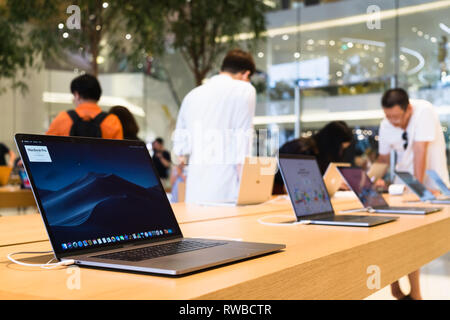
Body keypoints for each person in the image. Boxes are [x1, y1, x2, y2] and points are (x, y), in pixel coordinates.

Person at [376, 88, 449, 300]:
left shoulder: (424, 110)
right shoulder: (387, 122)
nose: (393, 121)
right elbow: (382, 159)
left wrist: (419, 189)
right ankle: (397, 289)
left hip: (430, 183)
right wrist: (368, 181)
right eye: (388, 116)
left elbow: (420, 150)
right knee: (396, 236)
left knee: (412, 240)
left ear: (409, 108)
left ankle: (415, 294)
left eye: (397, 116)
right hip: (405, 184)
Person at [173, 49, 256, 203]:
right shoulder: (245, 90)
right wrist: (249, 196)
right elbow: (242, 148)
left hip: (194, 193)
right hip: (228, 192)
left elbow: (180, 154)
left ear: (221, 70)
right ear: (246, 75)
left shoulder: (191, 95)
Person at [273, 121, 354, 194]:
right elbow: (296, 185)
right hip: (279, 194)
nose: (341, 152)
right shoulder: (301, 149)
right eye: (341, 148)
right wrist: (322, 185)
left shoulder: (320, 153)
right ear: (333, 144)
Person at [46, 74, 123, 139]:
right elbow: (119, 152)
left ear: (77, 95)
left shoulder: (63, 118)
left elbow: (47, 145)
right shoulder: (112, 121)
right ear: (98, 95)